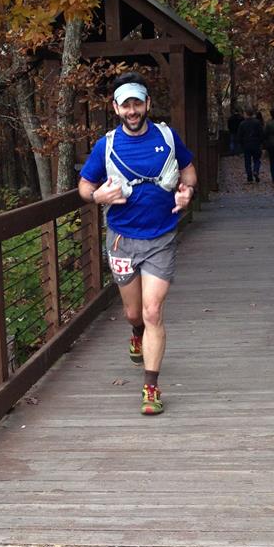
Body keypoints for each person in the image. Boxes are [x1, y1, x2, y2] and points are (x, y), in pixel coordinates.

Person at [76, 73, 198, 416]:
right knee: (134, 313)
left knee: (152, 310)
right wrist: (96, 196)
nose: (132, 111)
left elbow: (188, 170)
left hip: (161, 237)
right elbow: (84, 185)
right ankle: (135, 332)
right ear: (116, 108)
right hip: (122, 240)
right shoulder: (106, 145)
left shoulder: (167, 137)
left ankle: (151, 388)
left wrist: (187, 191)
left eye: (137, 103)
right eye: (126, 105)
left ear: (148, 104)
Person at [238, 108, 265, 182]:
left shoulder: (242, 123)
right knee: (257, 159)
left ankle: (249, 177)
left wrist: (241, 144)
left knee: (247, 161)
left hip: (246, 144)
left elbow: (239, 135)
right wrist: (261, 142)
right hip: (256, 144)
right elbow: (261, 134)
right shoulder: (257, 122)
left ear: (246, 114)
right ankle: (256, 170)